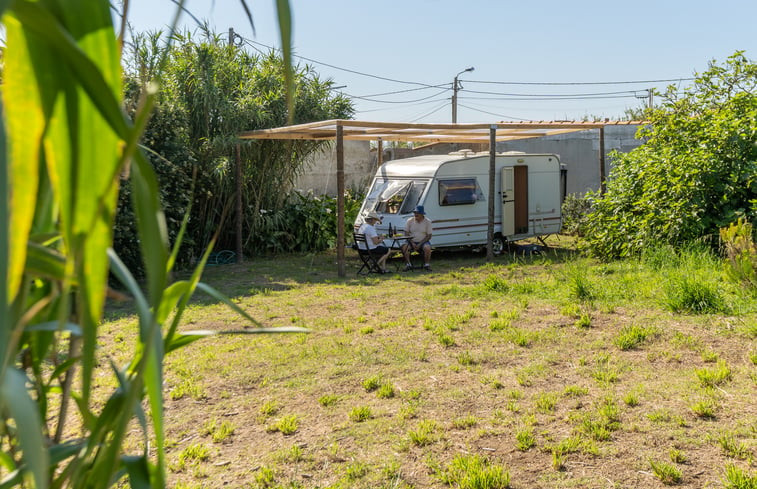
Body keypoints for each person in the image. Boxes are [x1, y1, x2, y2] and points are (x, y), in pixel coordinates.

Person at [402, 205, 433, 271]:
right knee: (404, 247)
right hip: (411, 241)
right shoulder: (410, 220)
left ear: (422, 214)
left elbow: (429, 235)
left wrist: (420, 244)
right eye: (415, 213)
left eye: (417, 213)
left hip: (423, 241)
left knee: (427, 248)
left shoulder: (428, 222)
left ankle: (427, 265)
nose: (415, 214)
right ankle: (408, 265)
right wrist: (412, 242)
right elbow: (406, 232)